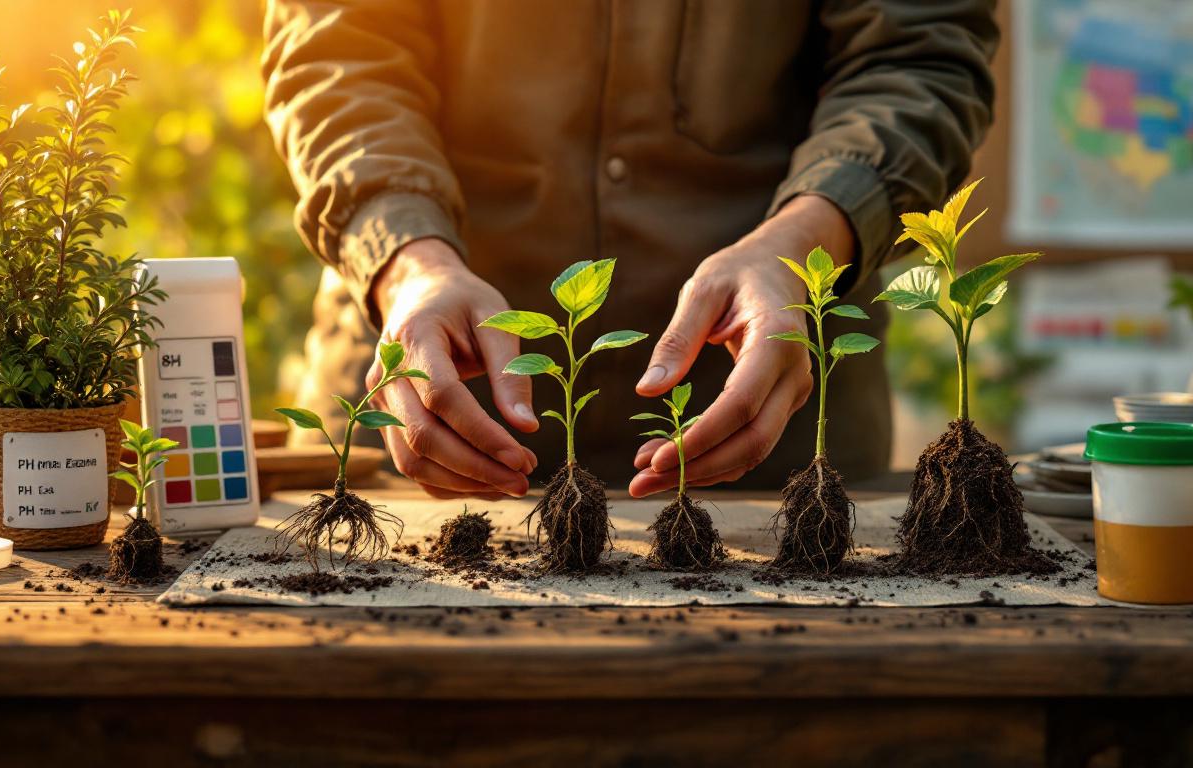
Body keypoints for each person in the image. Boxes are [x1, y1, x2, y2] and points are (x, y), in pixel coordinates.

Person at [263, 0, 998, 500]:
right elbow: (334, 54)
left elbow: (917, 56)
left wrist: (800, 242)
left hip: (770, 430)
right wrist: (408, 261)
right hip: (427, 399)